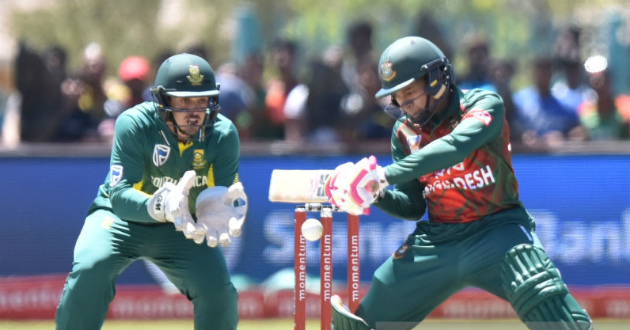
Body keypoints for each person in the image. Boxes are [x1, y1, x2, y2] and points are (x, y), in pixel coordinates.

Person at [324, 36, 593, 330]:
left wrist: (384, 175)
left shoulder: (482, 104)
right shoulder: (403, 133)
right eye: (398, 98)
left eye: (410, 93)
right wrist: (375, 194)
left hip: (498, 231)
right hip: (439, 241)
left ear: (436, 79)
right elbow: (413, 206)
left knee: (540, 291)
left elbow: (454, 147)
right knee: (373, 311)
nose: (405, 106)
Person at [55, 53, 248, 330]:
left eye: (202, 100)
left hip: (181, 227)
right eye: (184, 101)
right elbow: (120, 197)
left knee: (219, 291)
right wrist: (162, 205)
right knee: (90, 269)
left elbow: (224, 193)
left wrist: (219, 208)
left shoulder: (223, 133)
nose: (195, 112)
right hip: (122, 221)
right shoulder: (134, 124)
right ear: (163, 100)